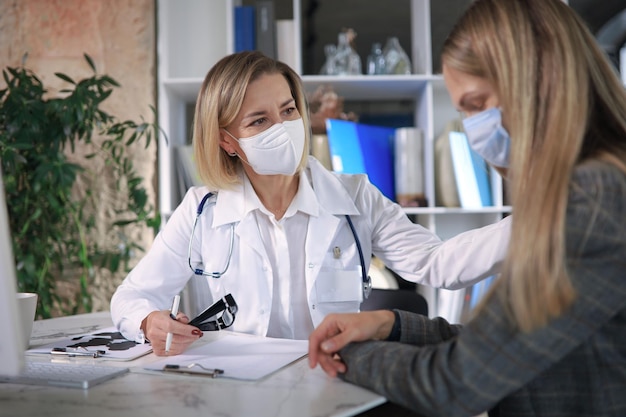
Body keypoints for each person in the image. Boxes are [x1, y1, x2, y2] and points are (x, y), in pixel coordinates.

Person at [308, 0, 626, 416]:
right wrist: (392, 325)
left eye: (476, 105)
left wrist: (352, 354)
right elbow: (504, 345)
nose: (475, 130)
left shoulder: (594, 198)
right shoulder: (588, 189)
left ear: (538, 80)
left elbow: (453, 383)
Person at [110, 50, 510, 356]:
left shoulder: (354, 196)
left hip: (330, 384)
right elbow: (130, 297)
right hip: (234, 397)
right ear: (226, 141)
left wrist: (537, 222)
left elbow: (438, 263)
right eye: (259, 120)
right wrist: (149, 321)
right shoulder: (201, 211)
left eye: (288, 111)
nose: (283, 128)